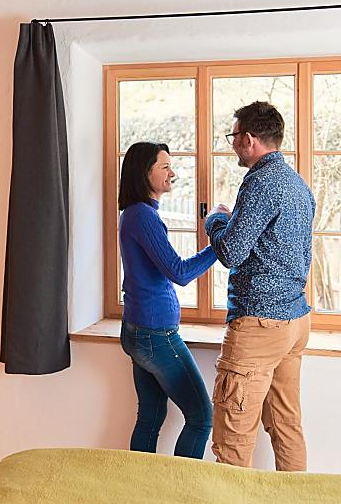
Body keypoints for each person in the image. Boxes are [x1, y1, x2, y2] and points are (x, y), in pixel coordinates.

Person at [205, 101, 315, 471]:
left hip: (260, 325)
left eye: (234, 136)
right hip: (295, 321)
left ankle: (232, 496)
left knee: (232, 442)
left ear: (249, 139)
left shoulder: (260, 183)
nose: (233, 144)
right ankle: (296, 497)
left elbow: (231, 251)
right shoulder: (298, 185)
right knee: (287, 427)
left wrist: (216, 220)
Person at [118, 141, 217, 459]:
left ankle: (139, 484)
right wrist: (219, 244)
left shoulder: (134, 214)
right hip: (155, 335)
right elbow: (179, 272)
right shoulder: (143, 216)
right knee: (201, 418)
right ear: (144, 172)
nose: (172, 173)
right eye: (165, 167)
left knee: (150, 417)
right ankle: (179, 485)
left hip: (138, 331)